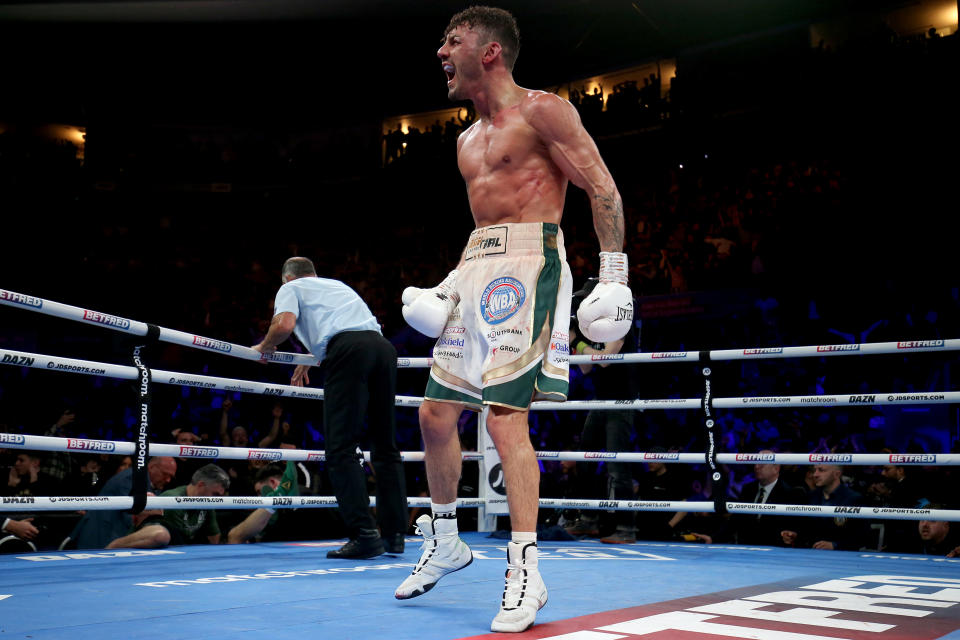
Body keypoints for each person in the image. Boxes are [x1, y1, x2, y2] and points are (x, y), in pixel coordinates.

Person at [395, 6, 632, 633]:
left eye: (452, 40)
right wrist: (449, 287)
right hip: (478, 267)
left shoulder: (543, 111)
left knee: (505, 419)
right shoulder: (465, 140)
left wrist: (614, 277)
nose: (441, 51)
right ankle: (446, 539)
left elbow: (601, 187)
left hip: (532, 265)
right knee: (434, 414)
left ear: (490, 50)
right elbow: (485, 233)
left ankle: (526, 569)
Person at [252, 256, 408, 559]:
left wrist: (266, 346)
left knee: (341, 448)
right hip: (382, 350)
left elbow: (284, 324)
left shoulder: (291, 288)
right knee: (385, 446)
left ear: (288, 279)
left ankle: (364, 535)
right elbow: (343, 326)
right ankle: (395, 535)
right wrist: (312, 355)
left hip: (349, 353)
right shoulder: (335, 286)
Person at [105, 464, 229, 549]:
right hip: (152, 540)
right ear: (201, 485)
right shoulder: (173, 499)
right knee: (161, 535)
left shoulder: (207, 503)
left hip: (171, 547)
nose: (216, 499)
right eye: (215, 494)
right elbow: (178, 540)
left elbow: (214, 537)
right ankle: (114, 547)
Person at [69, 456, 177, 549]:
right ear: (152, 467)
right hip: (100, 532)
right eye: (165, 474)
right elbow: (130, 515)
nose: (168, 480)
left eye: (171, 477)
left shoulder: (152, 485)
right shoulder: (132, 478)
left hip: (114, 534)